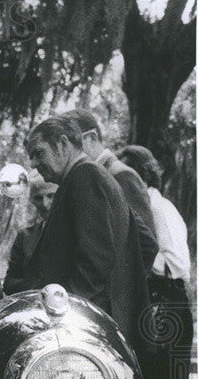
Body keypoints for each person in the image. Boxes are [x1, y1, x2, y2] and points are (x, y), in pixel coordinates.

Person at [24, 115, 153, 379]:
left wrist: (68, 319)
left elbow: (94, 260)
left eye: (39, 153)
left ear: (64, 143)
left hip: (86, 331)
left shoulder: (87, 179)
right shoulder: (83, 179)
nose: (35, 165)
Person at [118, 144, 196, 379]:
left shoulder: (154, 210)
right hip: (174, 304)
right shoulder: (165, 207)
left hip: (165, 302)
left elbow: (175, 264)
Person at [62, 109, 158, 271]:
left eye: (69, 144)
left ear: (91, 138)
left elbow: (145, 247)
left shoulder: (122, 175)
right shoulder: (88, 177)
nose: (65, 154)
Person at [3, 177, 57, 294]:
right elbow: (9, 284)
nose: (45, 204)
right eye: (38, 198)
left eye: (51, 196)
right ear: (32, 201)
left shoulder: (77, 232)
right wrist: (32, 285)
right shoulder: (25, 236)